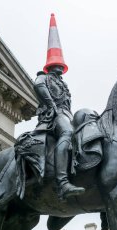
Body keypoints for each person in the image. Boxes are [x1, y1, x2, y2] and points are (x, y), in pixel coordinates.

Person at [34, 65, 85, 200]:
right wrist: (52, 105)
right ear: (50, 67)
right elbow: (38, 85)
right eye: (57, 65)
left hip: (67, 116)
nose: (60, 67)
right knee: (67, 132)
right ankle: (62, 183)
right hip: (55, 115)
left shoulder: (63, 84)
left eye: (61, 65)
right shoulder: (43, 77)